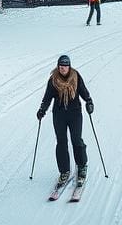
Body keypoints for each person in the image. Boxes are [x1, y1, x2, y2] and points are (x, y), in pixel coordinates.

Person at [37, 54, 93, 186]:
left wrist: (89, 102)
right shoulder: (53, 80)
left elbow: (84, 92)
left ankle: (82, 166)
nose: (63, 69)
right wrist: (42, 110)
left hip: (75, 114)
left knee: (76, 140)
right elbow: (47, 98)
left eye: (65, 66)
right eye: (61, 66)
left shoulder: (76, 77)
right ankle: (64, 171)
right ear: (58, 66)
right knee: (61, 142)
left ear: (69, 66)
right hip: (59, 114)